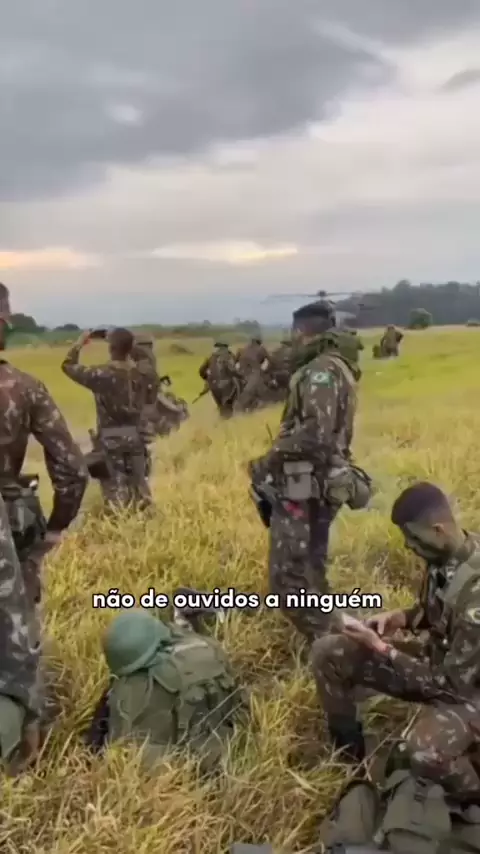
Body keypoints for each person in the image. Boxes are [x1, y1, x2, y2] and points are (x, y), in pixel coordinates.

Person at [312, 481, 480, 804]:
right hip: (439, 661)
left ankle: (472, 802)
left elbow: (450, 687)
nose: (407, 546)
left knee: (423, 751)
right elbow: (440, 611)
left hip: (466, 691)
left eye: (413, 538)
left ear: (439, 530)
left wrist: (382, 648)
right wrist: (401, 618)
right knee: (328, 652)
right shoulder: (446, 557)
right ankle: (350, 762)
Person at [0, 285, 88, 770]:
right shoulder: (24, 387)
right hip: (8, 529)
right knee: (17, 634)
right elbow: (72, 470)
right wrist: (56, 527)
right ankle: (25, 751)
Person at [248, 300, 369, 644]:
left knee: (288, 580)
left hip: (306, 482)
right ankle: (339, 640)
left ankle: (335, 646)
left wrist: (268, 460)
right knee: (311, 570)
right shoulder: (337, 366)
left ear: (301, 331)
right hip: (320, 481)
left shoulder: (320, 371)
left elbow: (316, 435)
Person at [85, 608, 249, 772]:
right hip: (229, 742)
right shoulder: (209, 646)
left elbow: (121, 744)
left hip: (176, 767)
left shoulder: (136, 689)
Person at [62, 327, 157, 510]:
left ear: (111, 348)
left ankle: (120, 521)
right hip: (136, 437)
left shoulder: (102, 374)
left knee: (115, 489)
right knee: (140, 485)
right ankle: (147, 517)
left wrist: (80, 342)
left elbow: (68, 365)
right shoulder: (142, 375)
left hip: (110, 439)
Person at [198, 342, 241, 418]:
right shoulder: (229, 356)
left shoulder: (211, 357)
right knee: (228, 404)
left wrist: (207, 379)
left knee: (221, 406)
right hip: (227, 384)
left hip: (214, 386)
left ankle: (222, 420)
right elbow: (233, 370)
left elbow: (201, 371)